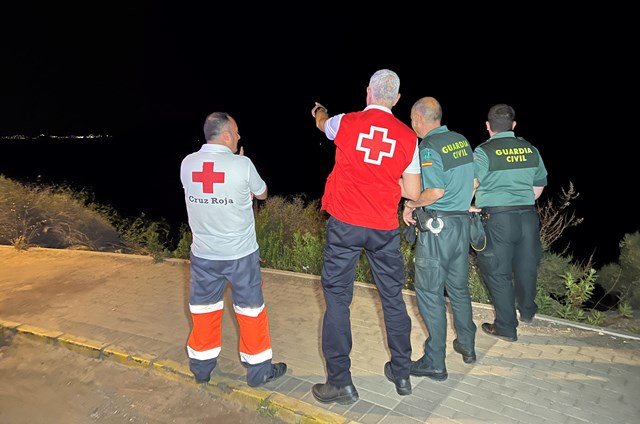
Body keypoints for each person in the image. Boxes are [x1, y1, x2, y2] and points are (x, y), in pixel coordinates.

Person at [309, 69, 422, 404]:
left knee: (338, 302)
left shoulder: (345, 122)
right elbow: (413, 191)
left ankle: (340, 383)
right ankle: (402, 373)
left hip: (344, 226)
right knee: (392, 299)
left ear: (368, 92)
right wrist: (387, 181)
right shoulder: (407, 138)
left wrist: (319, 113)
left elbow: (322, 125)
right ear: (397, 99)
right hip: (384, 229)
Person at [179, 112, 287, 387]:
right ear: (226, 135)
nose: (239, 136)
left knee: (203, 311)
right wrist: (243, 175)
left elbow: (208, 197)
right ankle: (259, 372)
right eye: (236, 132)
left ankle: (202, 369)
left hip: (203, 256)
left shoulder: (187, 163)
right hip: (240, 256)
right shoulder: (242, 164)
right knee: (251, 311)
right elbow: (262, 193)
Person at [402, 97, 477, 382]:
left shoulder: (429, 146)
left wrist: (410, 205)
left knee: (430, 294)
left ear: (419, 119)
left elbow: (434, 191)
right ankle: (467, 346)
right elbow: (472, 182)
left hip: (438, 230)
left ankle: (435, 361)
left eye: (412, 120)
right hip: (461, 226)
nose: (413, 125)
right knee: (458, 289)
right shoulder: (461, 140)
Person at [472, 103, 548, 342]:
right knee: (527, 266)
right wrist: (520, 201)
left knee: (498, 272)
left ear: (488, 126)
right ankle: (527, 311)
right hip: (527, 216)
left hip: (498, 219)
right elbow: (539, 186)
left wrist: (469, 206)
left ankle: (506, 326)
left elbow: (471, 184)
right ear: (514, 125)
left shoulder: (483, 152)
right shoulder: (531, 150)